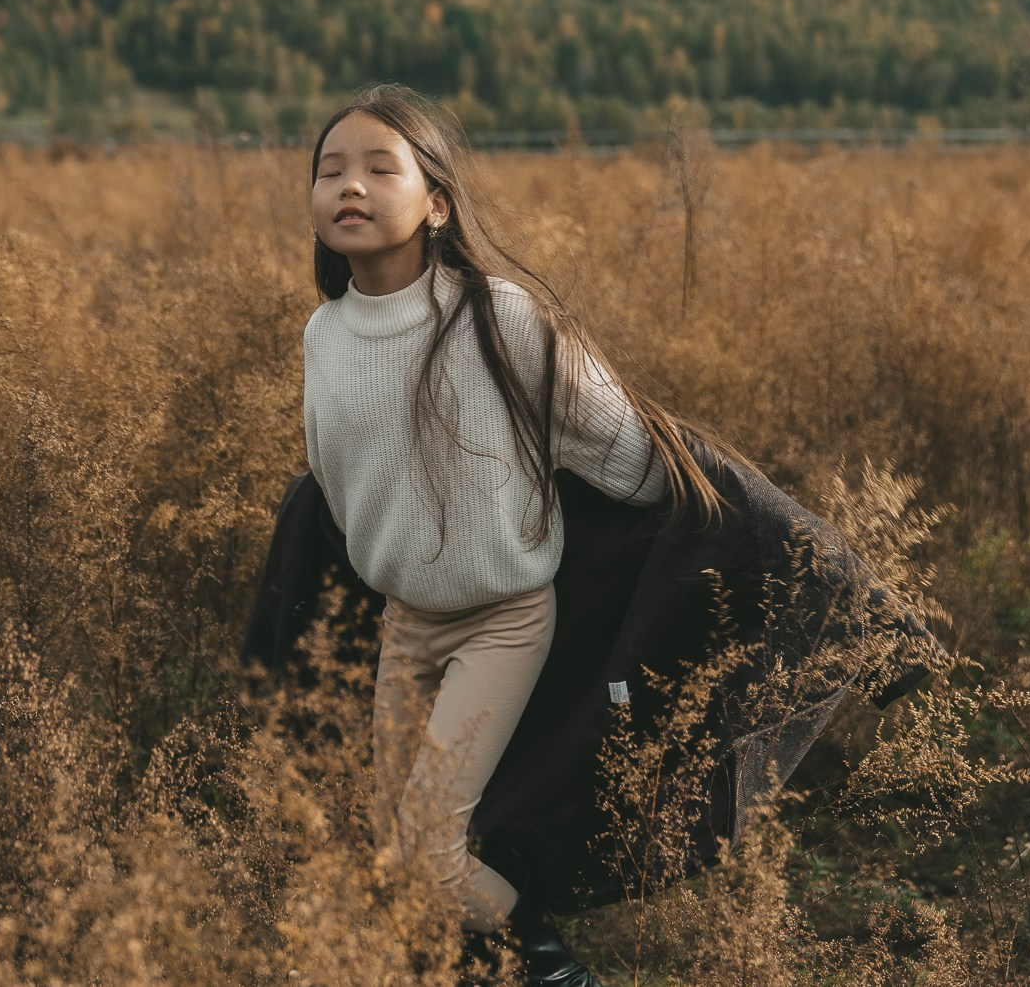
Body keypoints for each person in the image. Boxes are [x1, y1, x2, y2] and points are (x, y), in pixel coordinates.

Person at [302, 83, 741, 986]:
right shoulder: (324, 332)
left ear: (437, 202)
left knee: (426, 850)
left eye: (380, 167)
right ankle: (479, 962)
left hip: (502, 619)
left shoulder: (496, 314)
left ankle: (546, 963)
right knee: (393, 842)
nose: (350, 185)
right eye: (330, 169)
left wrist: (659, 491)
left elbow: (609, 435)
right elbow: (336, 482)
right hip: (404, 621)